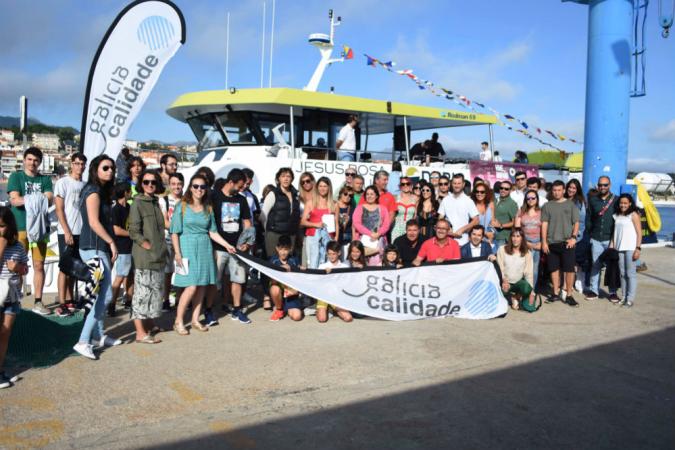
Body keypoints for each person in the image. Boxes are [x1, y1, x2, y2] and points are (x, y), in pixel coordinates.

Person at [171, 173, 237, 335]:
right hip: (187, 246)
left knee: (202, 285)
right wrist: (178, 253)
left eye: (202, 186)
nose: (199, 189)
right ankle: (178, 320)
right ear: (190, 188)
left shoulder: (208, 208)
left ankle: (195, 319)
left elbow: (212, 232)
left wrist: (227, 245)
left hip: (205, 247)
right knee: (191, 286)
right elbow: (174, 232)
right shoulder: (182, 206)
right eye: (195, 186)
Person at [73, 155, 122, 360]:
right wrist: (111, 242)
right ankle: (84, 341)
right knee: (104, 296)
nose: (110, 171)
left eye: (112, 168)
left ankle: (99, 336)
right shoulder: (92, 191)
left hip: (97, 247)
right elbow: (93, 222)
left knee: (102, 294)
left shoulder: (98, 191)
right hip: (94, 247)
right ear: (96, 170)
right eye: (105, 167)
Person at [7, 147, 53, 316]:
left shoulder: (45, 179)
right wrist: (37, 199)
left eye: (36, 160)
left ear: (40, 162)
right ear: (24, 160)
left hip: (40, 229)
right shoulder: (16, 177)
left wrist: (28, 199)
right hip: (19, 228)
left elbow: (49, 198)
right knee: (18, 266)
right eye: (30, 159)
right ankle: (15, 302)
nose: (32, 163)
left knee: (39, 265)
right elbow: (14, 200)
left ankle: (38, 301)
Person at [208, 169, 253, 325]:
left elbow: (247, 223)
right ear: (231, 182)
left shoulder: (241, 200)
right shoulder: (214, 197)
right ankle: (209, 310)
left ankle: (237, 309)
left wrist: (247, 243)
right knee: (214, 281)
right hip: (218, 247)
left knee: (238, 280)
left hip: (237, 249)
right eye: (239, 186)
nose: (241, 190)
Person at [128, 170, 167, 344]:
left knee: (155, 292)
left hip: (158, 255)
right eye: (146, 182)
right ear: (141, 184)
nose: (150, 185)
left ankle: (150, 324)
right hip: (145, 256)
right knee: (142, 295)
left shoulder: (156, 202)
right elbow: (134, 231)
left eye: (153, 182)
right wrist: (147, 245)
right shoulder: (137, 202)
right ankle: (140, 333)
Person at [54, 152, 86, 317]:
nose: (79, 166)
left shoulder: (85, 185)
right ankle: (61, 303)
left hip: (81, 232)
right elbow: (59, 208)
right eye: (77, 163)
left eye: (82, 164)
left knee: (74, 269)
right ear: (71, 164)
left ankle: (69, 299)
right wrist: (66, 231)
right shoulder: (63, 182)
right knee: (64, 269)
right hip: (66, 232)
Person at [0, 207, 29, 388]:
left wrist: (17, 268)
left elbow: (26, 269)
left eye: (2, 226)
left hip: (11, 295)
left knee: (5, 333)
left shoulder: (18, 246)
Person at [541, 180, 580, 306]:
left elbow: (576, 222)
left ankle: (569, 295)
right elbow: (544, 224)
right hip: (552, 242)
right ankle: (555, 293)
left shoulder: (571, 205)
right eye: (554, 190)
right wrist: (544, 242)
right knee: (554, 269)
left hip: (567, 243)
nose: (556, 193)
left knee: (569, 270)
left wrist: (574, 237)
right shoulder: (547, 206)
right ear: (551, 191)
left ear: (563, 190)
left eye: (559, 190)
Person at [585, 176, 619, 301]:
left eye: (605, 185)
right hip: (596, 238)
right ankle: (594, 290)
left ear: (609, 185)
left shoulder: (616, 200)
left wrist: (615, 239)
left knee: (612, 266)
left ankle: (613, 292)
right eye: (600, 185)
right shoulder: (593, 200)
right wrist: (589, 233)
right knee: (595, 265)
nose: (602, 187)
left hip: (611, 239)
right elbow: (589, 218)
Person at [261, 168, 301, 257]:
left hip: (291, 234)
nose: (286, 179)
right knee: (272, 261)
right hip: (274, 234)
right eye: (283, 176)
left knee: (289, 261)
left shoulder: (296, 195)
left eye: (288, 176)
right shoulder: (273, 194)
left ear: (292, 179)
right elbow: (263, 215)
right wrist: (268, 229)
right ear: (278, 179)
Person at [610, 194, 641, 308]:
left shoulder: (633, 215)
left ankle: (630, 299)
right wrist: (612, 245)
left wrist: (638, 249)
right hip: (619, 248)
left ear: (630, 204)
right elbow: (615, 232)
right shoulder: (617, 215)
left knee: (630, 274)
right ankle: (623, 297)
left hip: (630, 248)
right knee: (622, 274)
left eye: (625, 203)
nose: (623, 205)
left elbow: (639, 233)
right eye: (621, 203)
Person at [159, 173, 184, 311]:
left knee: (182, 270)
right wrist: (179, 227)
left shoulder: (187, 200)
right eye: (173, 184)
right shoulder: (164, 200)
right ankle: (166, 299)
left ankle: (180, 299)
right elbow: (164, 222)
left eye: (179, 184)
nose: (176, 187)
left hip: (183, 240)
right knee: (167, 272)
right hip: (168, 239)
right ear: (169, 185)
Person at [108, 182, 134, 316]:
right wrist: (132, 234)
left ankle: (129, 301)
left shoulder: (129, 207)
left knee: (131, 275)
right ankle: (111, 304)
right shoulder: (116, 209)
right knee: (120, 276)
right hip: (123, 247)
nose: (131, 193)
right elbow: (116, 229)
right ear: (125, 192)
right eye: (129, 191)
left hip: (131, 246)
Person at [301, 177, 337, 269]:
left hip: (329, 238)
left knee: (327, 265)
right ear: (317, 188)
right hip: (312, 237)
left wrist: (336, 239)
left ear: (329, 188)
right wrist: (316, 224)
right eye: (320, 186)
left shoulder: (334, 204)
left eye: (325, 186)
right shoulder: (310, 203)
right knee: (312, 264)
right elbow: (302, 222)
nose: (322, 188)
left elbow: (336, 224)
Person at [352, 186, 391, 266]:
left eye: (372, 194)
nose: (369, 196)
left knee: (378, 265)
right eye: (367, 194)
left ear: (376, 196)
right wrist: (370, 234)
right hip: (362, 241)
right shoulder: (359, 208)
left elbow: (386, 224)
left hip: (378, 241)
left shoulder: (383, 208)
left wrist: (378, 234)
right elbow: (356, 223)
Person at [497, 228, 535, 310]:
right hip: (505, 282)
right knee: (500, 294)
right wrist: (504, 280)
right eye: (513, 236)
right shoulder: (502, 249)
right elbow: (500, 268)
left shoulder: (527, 253)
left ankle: (516, 296)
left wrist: (530, 291)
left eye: (518, 236)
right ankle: (508, 296)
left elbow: (529, 273)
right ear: (510, 237)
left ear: (522, 238)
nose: (515, 239)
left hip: (518, 283)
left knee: (530, 308)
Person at [268, 235, 304, 322]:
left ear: (290, 249)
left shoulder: (294, 260)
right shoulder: (273, 260)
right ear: (277, 248)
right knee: (274, 288)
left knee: (297, 317)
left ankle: (287, 309)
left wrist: (301, 269)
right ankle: (279, 309)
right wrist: (282, 268)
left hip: (291, 293)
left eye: (286, 249)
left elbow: (299, 278)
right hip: (279, 289)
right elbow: (272, 280)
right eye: (281, 249)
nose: (283, 252)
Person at [438, 173, 479, 246]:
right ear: (451, 184)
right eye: (454, 183)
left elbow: (476, 220)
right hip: (447, 241)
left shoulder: (468, 201)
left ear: (463, 184)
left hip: (462, 242)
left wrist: (462, 230)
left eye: (459, 183)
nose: (456, 185)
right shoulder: (445, 200)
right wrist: (447, 227)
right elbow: (440, 218)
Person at [316, 241, 353, 323]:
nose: (331, 256)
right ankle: (322, 309)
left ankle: (332, 309)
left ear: (339, 253)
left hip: (337, 296)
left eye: (334, 254)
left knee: (348, 318)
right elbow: (317, 283)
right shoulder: (322, 266)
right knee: (322, 319)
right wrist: (325, 275)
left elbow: (347, 283)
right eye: (329, 254)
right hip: (324, 295)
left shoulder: (345, 267)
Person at [515, 189, 542, 290]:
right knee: (523, 268)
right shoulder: (521, 211)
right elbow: (517, 230)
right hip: (524, 242)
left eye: (533, 198)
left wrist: (542, 243)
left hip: (537, 242)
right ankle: (522, 291)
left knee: (534, 269)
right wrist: (526, 243)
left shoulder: (541, 212)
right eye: (528, 198)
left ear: (537, 199)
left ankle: (531, 291)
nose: (530, 200)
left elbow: (545, 229)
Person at [565, 179, 587, 292]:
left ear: (577, 190)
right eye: (570, 187)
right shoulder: (562, 199)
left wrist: (576, 236)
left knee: (576, 261)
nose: (571, 190)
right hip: (563, 235)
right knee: (567, 261)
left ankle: (578, 281)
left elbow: (581, 220)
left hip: (576, 236)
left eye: (574, 188)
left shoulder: (580, 202)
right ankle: (568, 284)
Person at [493, 180, 518, 248]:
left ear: (510, 191)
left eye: (506, 189)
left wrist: (501, 225)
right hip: (492, 236)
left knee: (500, 258)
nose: (503, 190)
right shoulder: (495, 200)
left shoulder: (512, 204)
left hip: (502, 237)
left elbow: (515, 222)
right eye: (501, 188)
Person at [391, 177, 417, 242]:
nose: (405, 185)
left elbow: (415, 217)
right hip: (397, 229)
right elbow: (391, 215)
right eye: (403, 184)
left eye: (407, 184)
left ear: (411, 185)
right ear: (400, 186)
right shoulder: (395, 198)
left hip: (410, 230)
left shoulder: (415, 198)